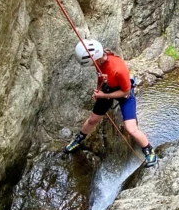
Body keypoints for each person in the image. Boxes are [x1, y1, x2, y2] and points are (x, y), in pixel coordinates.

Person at [64, 39, 157, 168]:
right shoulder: (99, 63)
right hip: (107, 89)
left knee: (131, 129)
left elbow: (125, 92)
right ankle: (78, 139)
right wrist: (99, 90)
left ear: (95, 59)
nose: (91, 66)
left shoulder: (118, 68)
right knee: (93, 119)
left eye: (91, 63)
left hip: (124, 93)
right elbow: (101, 76)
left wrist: (104, 95)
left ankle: (148, 150)